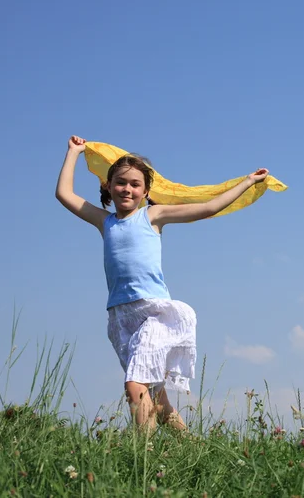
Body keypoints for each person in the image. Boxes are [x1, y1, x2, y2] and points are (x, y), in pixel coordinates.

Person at [56, 135, 269, 431]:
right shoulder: (104, 222)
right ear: (108, 186)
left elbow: (208, 207)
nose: (127, 189)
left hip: (155, 313)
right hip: (120, 318)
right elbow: (64, 194)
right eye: (120, 182)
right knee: (157, 398)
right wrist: (74, 153)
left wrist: (247, 182)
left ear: (145, 192)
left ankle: (143, 459)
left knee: (135, 385)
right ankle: (194, 451)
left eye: (135, 184)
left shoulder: (152, 216)